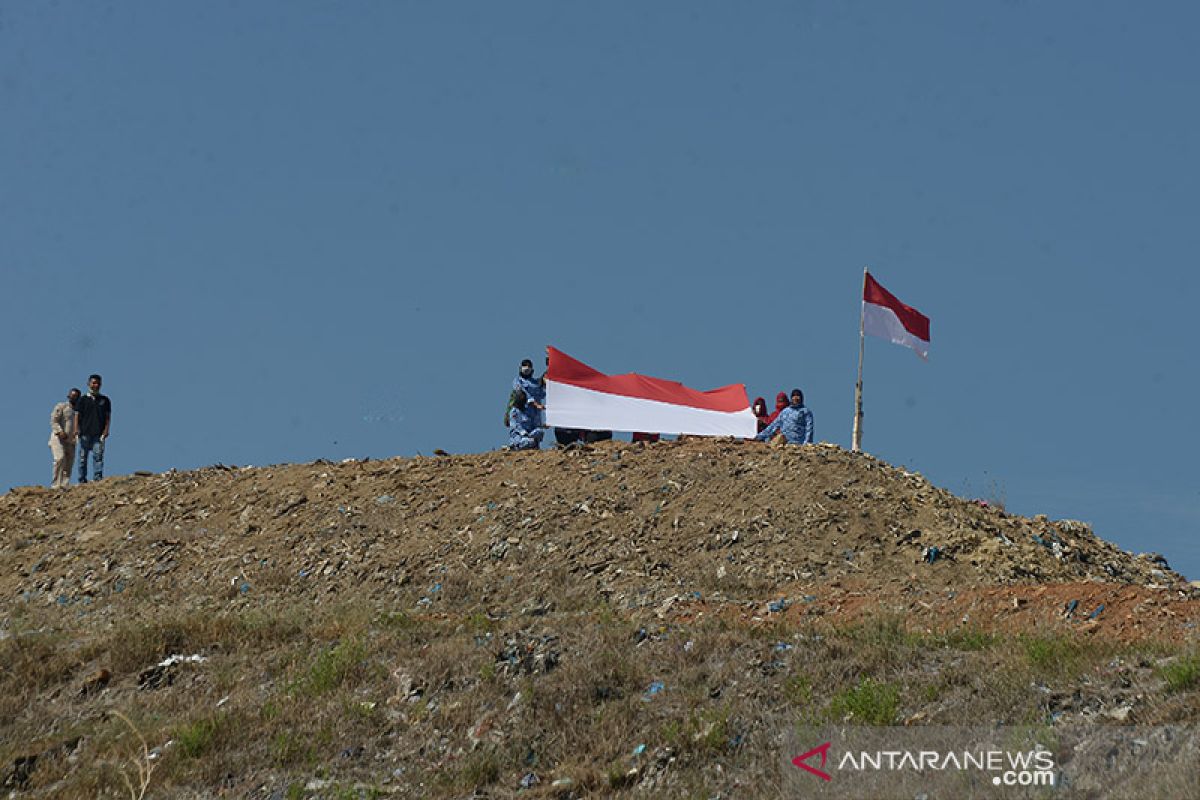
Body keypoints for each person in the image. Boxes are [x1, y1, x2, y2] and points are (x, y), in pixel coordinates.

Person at [76, 374, 112, 483]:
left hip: (98, 433)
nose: (95, 385)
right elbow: (77, 415)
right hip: (85, 433)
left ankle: (97, 478)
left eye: (97, 383)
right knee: (82, 458)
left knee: (98, 457)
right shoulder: (82, 400)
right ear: (88, 384)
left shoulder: (104, 400)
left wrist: (106, 430)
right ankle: (82, 479)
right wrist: (76, 429)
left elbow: (107, 417)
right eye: (93, 383)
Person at [49, 388, 81, 488]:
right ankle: (55, 484)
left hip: (71, 441)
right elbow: (54, 420)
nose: (74, 398)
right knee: (60, 458)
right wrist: (60, 431)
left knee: (68, 463)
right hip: (58, 439)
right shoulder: (62, 406)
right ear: (68, 396)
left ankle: (64, 484)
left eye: (76, 396)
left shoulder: (78, 412)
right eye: (72, 396)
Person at [506, 358, 546, 425]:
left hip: (535, 417)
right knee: (521, 433)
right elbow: (523, 393)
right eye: (525, 369)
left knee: (537, 433)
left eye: (528, 369)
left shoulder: (535, 383)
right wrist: (535, 404)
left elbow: (542, 392)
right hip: (522, 414)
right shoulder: (518, 381)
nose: (526, 371)